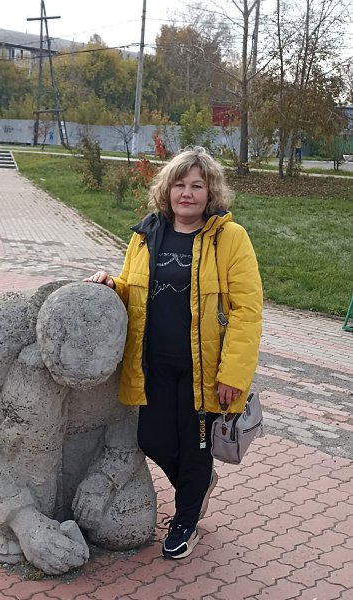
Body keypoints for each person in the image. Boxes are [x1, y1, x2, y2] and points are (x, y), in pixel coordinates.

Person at [85, 147, 262, 560]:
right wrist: (112, 286)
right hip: (153, 365)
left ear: (210, 192)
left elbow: (247, 311)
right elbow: (134, 289)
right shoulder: (146, 235)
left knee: (195, 446)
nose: (187, 193)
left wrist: (233, 374)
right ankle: (196, 488)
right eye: (179, 184)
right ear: (166, 190)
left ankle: (185, 522)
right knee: (152, 438)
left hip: (204, 371)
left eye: (197, 185)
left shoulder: (229, 238)